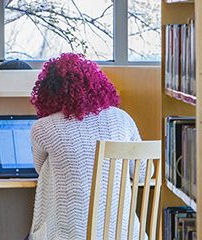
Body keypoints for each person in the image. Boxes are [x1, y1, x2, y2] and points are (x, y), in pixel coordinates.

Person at [28, 53, 148, 240]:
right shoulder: (122, 119)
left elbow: (39, 168)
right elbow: (142, 173)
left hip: (69, 234)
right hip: (123, 234)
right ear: (97, 84)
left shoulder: (43, 127)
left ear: (48, 92)